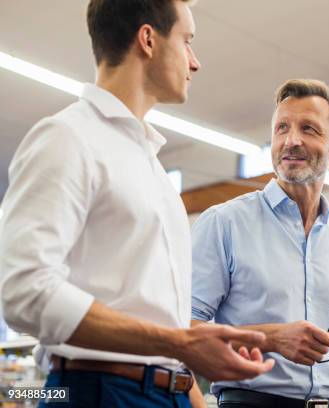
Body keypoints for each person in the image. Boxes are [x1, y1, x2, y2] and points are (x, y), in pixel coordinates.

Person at [0, 1, 273, 407]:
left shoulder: (152, 168)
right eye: (187, 41)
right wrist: (180, 342)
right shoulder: (67, 138)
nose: (194, 62)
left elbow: (166, 331)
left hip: (169, 392)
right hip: (100, 392)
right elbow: (24, 290)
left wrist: (187, 372)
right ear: (148, 39)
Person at [191, 79, 329, 408]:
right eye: (282, 128)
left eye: (308, 128)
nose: (291, 140)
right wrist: (272, 338)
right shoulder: (225, 223)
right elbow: (186, 328)